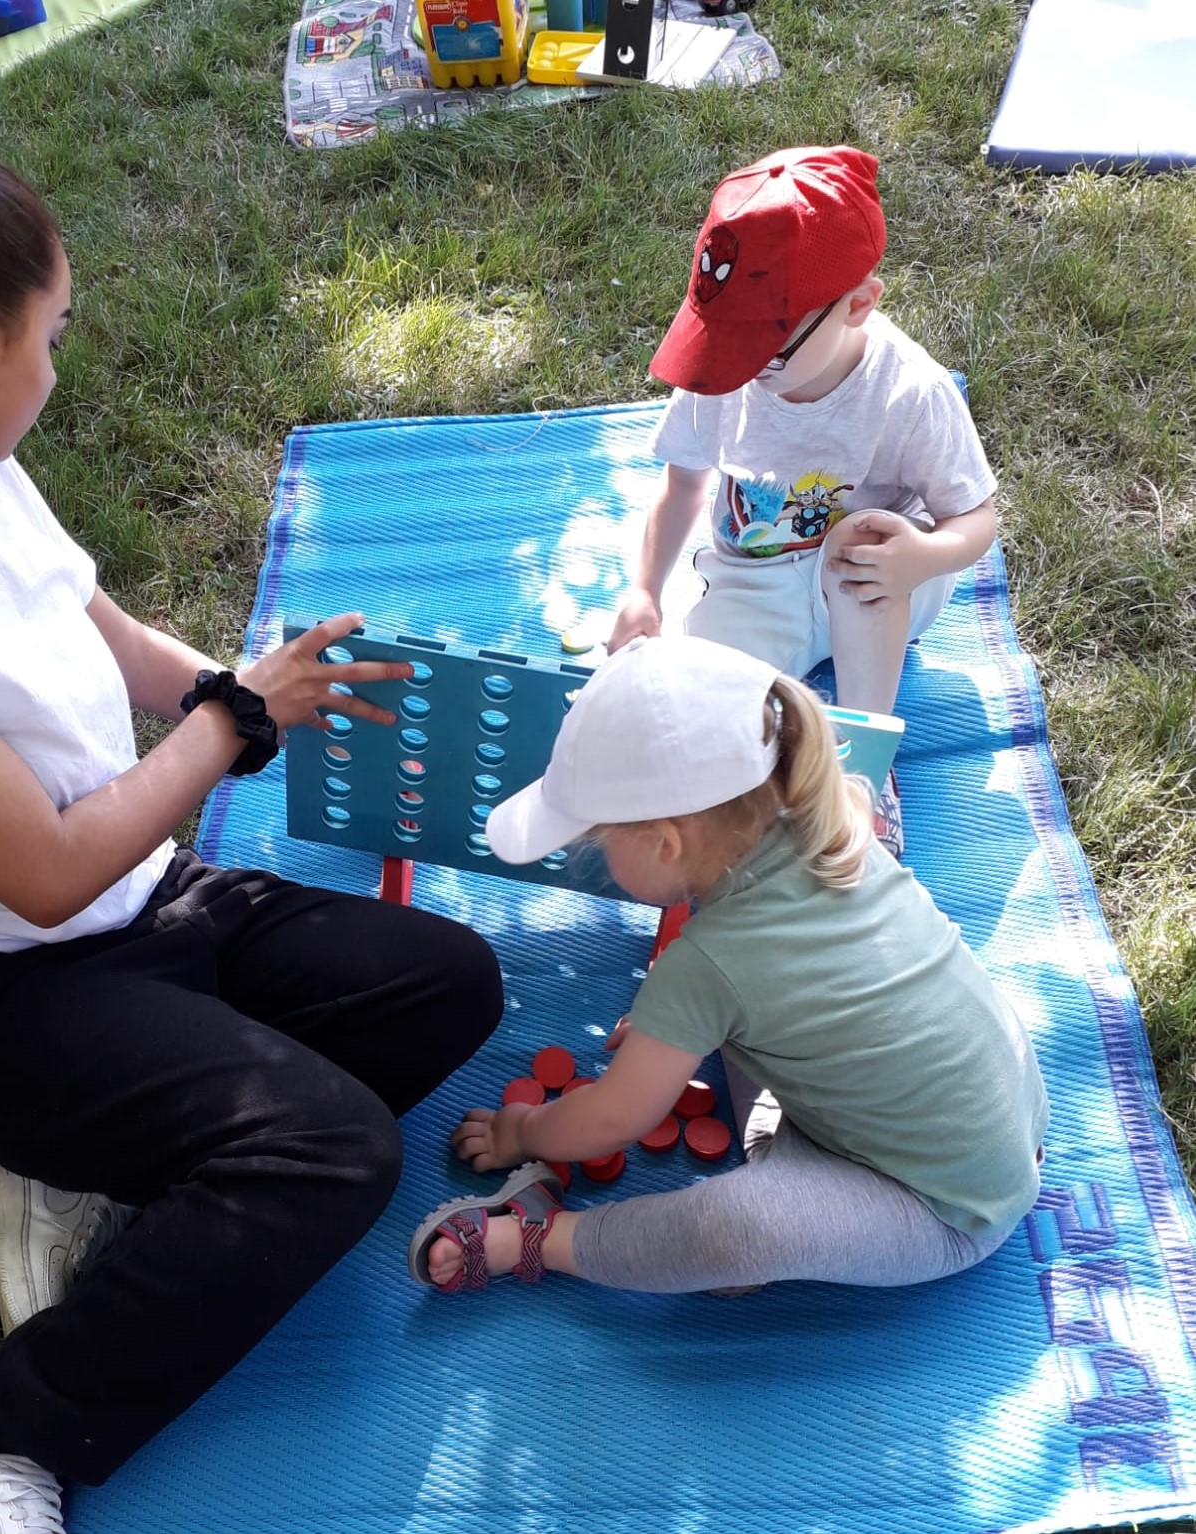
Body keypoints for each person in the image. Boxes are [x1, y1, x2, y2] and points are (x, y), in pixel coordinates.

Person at [0, 115, 503, 1534]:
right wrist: (234, 722)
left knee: (449, 984)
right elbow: (45, 864)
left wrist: (224, 686)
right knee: (332, 1151)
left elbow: (110, 631)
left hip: (139, 905)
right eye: (50, 334)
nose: (55, 367)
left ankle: (125, 1145)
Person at [407, 635, 1048, 1300]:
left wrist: (520, 1130)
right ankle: (782, 1201)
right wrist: (673, 1034)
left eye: (596, 842)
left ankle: (542, 1238)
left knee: (730, 1231)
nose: (590, 857)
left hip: (942, 1209)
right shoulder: (828, 828)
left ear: (664, 842)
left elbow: (607, 1123)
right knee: (748, 1031)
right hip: (1002, 1125)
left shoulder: (705, 965)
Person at [608, 145, 1000, 858]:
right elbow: (684, 484)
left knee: (863, 541)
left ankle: (860, 766)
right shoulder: (722, 371)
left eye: (770, 351)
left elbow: (975, 518)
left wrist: (921, 557)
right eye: (726, 344)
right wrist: (643, 592)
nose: (745, 373)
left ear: (858, 306)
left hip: (883, 586)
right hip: (754, 579)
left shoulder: (910, 392)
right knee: (690, 712)